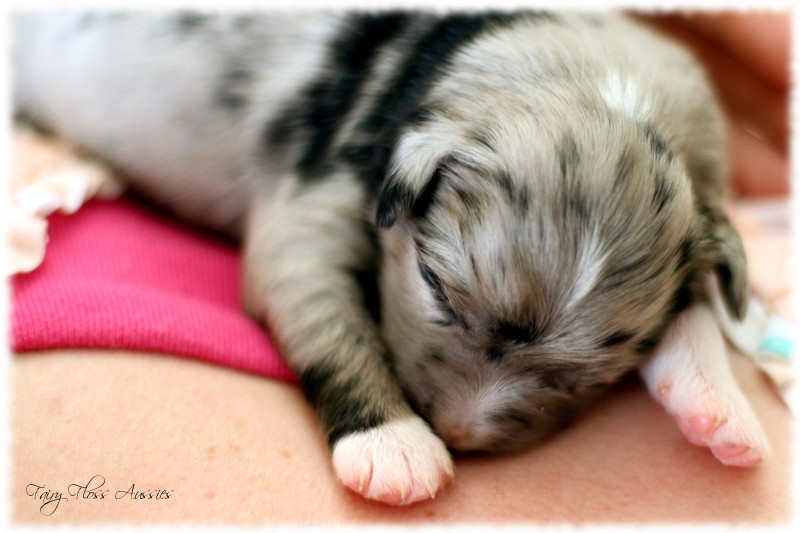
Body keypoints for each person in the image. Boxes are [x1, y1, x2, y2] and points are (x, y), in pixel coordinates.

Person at [11, 12, 791, 523]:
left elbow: (688, 255)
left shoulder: (689, 124)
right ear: (406, 182)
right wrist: (368, 409)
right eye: (447, 301)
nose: (467, 420)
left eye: (574, 376)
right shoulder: (395, 128)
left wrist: (691, 347)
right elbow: (292, 251)